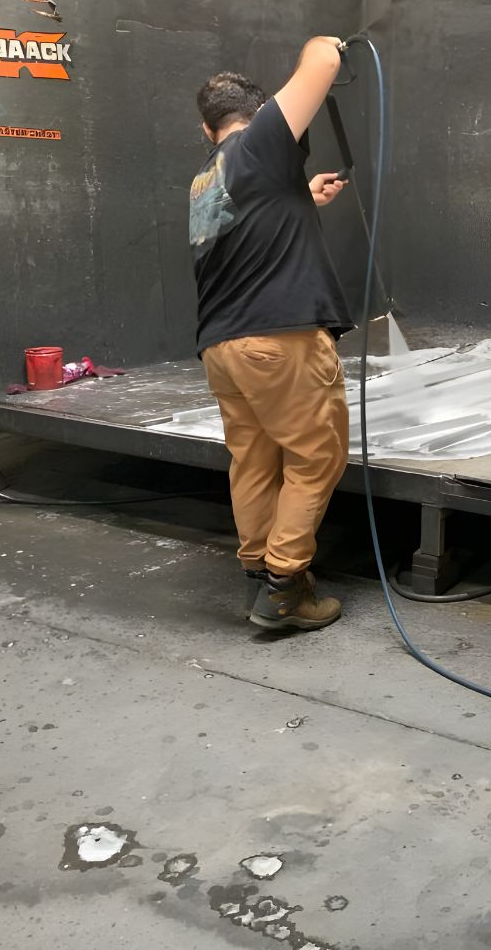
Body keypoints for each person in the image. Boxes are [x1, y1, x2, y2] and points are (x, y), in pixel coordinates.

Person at [189, 36, 352, 632]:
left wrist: (302, 198)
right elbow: (324, 64)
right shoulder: (261, 138)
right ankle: (286, 586)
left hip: (223, 347)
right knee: (316, 456)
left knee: (253, 461)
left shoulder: (207, 179)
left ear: (206, 131)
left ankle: (259, 569)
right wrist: (322, 43)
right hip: (278, 339)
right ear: (255, 116)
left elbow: (250, 229)